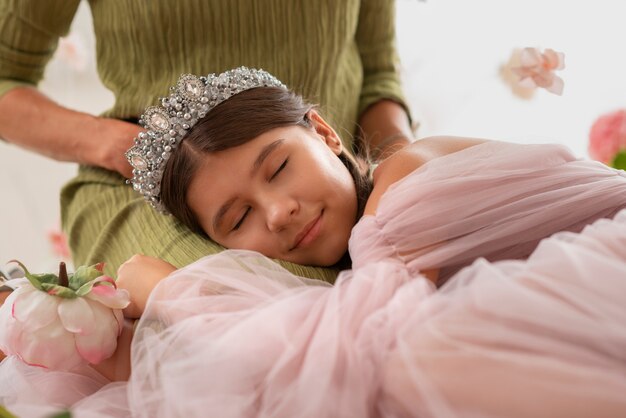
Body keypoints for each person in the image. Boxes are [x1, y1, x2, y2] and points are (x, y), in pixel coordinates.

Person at [2, 67, 626, 417]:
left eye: (278, 169)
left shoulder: (400, 186)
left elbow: (351, 353)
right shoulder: (370, 247)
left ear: (324, 133)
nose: (278, 213)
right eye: (237, 218)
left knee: (420, 363)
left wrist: (168, 289)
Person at [0, 0, 413, 284]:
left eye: (278, 167)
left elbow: (378, 72)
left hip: (330, 172)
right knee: (268, 304)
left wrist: (398, 187)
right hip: (144, 188)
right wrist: (119, 145)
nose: (278, 213)